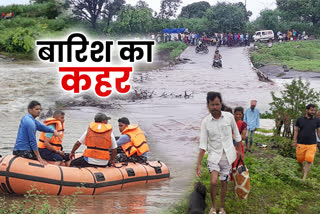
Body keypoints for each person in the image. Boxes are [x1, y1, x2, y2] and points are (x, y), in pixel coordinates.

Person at [196, 92, 242, 214]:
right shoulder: (205, 122)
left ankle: (221, 207)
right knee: (213, 181)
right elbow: (203, 144)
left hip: (227, 156)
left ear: (221, 104)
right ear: (208, 106)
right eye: (212, 105)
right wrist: (199, 164)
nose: (215, 107)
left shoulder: (229, 117)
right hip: (213, 156)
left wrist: (240, 151)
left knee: (224, 182)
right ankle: (213, 207)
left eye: (217, 104)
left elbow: (237, 135)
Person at [13, 100, 61, 165]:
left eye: (39, 109)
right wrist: (39, 157)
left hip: (18, 149)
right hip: (23, 151)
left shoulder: (28, 118)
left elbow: (40, 126)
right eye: (36, 109)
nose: (39, 111)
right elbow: (32, 141)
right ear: (30, 110)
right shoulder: (30, 123)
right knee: (44, 160)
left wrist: (53, 131)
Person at [293, 104, 320, 180]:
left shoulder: (317, 121)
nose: (313, 112)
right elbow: (296, 131)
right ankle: (302, 169)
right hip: (301, 143)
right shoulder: (299, 120)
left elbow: (319, 132)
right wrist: (294, 141)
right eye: (311, 110)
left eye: (314, 110)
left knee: (309, 159)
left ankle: (304, 177)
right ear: (307, 110)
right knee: (299, 160)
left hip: (312, 144)